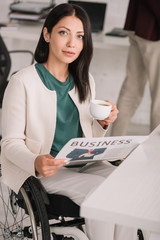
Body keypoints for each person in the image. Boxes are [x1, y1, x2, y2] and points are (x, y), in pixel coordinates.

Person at [1, 3, 137, 240]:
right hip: (50, 170)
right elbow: (10, 142)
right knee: (100, 193)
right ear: (47, 34)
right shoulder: (22, 82)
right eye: (64, 32)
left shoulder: (85, 79)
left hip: (83, 163)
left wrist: (102, 124)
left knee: (123, 185)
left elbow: (90, 139)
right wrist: (35, 161)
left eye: (80, 36)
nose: (72, 43)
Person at [111, 0, 160, 136]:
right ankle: (156, 152)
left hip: (139, 26)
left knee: (131, 90)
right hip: (154, 31)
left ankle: (113, 148)